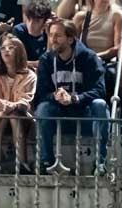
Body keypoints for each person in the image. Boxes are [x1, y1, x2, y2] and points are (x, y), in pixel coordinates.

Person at [34, 18, 108, 172]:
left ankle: (101, 163)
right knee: (43, 108)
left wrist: (74, 98)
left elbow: (100, 90)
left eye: (57, 36)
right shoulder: (46, 60)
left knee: (100, 105)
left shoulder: (89, 58)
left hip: (84, 113)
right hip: (59, 114)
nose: (52, 40)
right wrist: (55, 96)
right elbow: (41, 93)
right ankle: (46, 162)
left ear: (70, 38)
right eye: (51, 35)